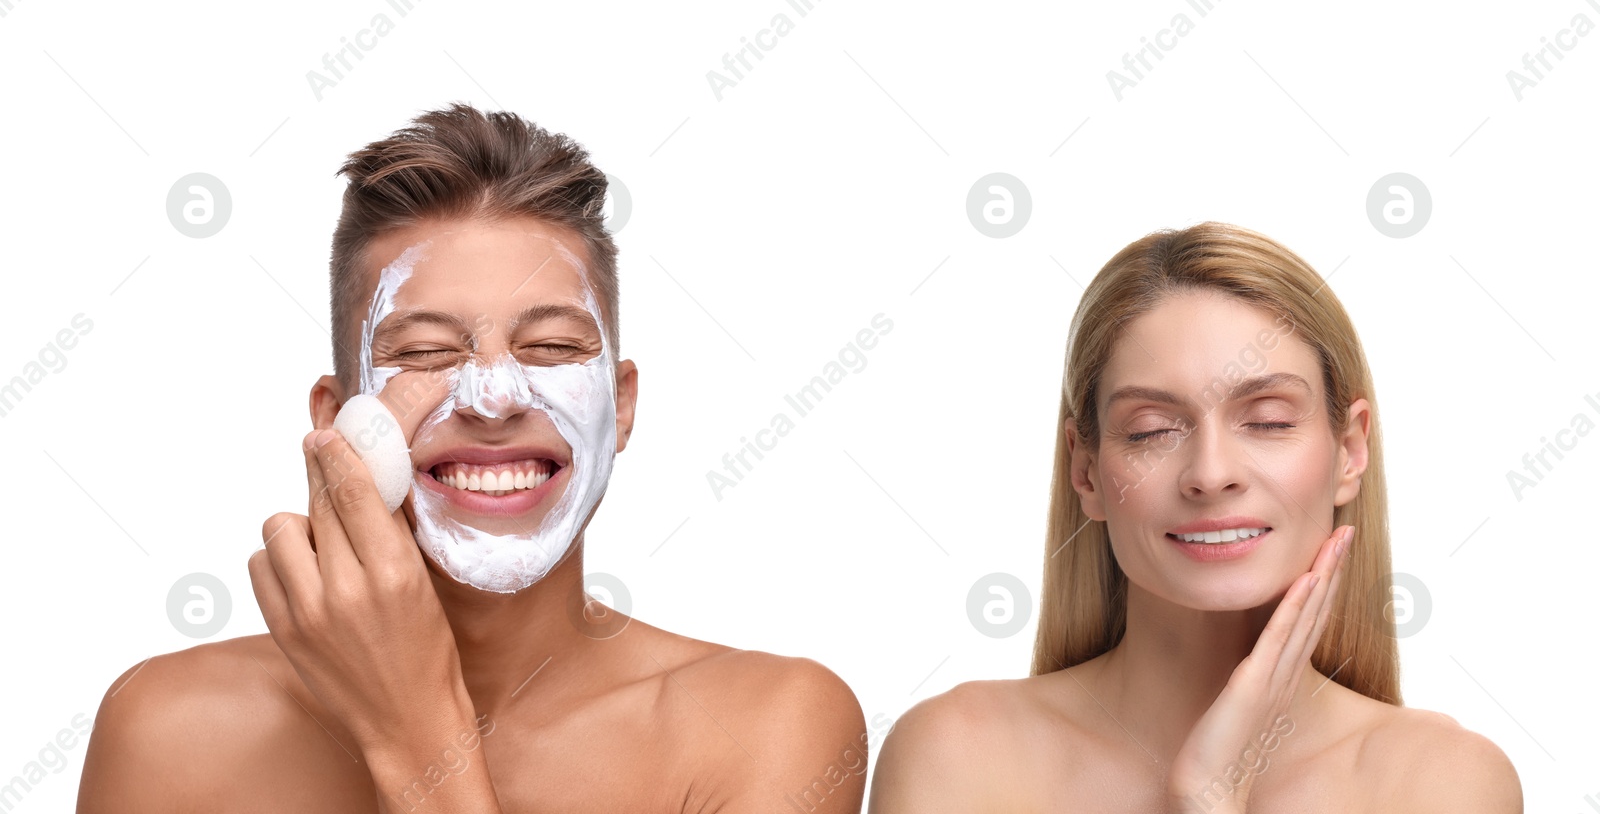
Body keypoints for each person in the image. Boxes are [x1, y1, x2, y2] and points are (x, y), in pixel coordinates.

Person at [78, 103, 867, 813]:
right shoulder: (172, 732)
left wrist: (417, 738)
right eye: (424, 353)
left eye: (554, 345)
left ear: (621, 405)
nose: (493, 394)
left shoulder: (768, 726)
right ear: (335, 420)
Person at [868, 222, 1521, 812]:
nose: (1210, 473)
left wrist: (1209, 796)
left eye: (1267, 420)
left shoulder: (1442, 782)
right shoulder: (956, 756)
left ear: (1349, 452)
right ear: (1087, 472)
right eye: (1152, 430)